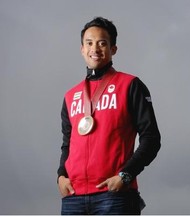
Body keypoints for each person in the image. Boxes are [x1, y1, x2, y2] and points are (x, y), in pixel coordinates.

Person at [57, 16, 161, 215]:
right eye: (89, 43)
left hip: (114, 195)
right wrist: (61, 176)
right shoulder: (70, 96)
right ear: (82, 49)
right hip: (73, 198)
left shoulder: (130, 85)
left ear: (113, 49)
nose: (94, 49)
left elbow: (151, 138)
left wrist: (125, 176)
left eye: (102, 43)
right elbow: (67, 144)